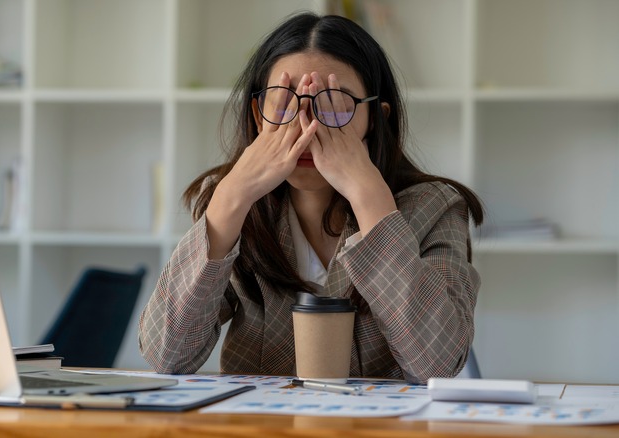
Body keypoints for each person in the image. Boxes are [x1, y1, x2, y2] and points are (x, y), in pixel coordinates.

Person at [138, 12, 483, 383]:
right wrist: (231, 198)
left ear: (376, 119)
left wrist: (371, 200)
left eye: (334, 103)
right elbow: (166, 355)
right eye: (284, 102)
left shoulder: (436, 206)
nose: (306, 126)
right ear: (258, 116)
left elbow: (437, 364)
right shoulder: (233, 205)